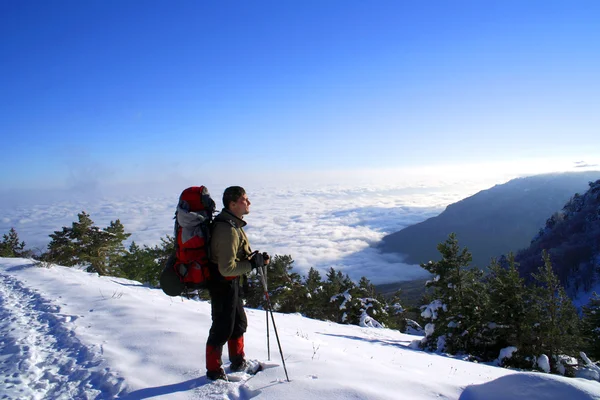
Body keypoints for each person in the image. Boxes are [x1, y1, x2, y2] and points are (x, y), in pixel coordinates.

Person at [205, 186, 270, 380]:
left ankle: (238, 361)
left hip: (230, 283)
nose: (248, 203)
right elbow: (227, 268)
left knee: (238, 324)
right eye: (244, 200)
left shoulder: (233, 225)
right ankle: (214, 372)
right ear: (232, 204)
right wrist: (251, 264)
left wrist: (255, 259)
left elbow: (236, 257)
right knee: (222, 327)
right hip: (222, 283)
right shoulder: (228, 230)